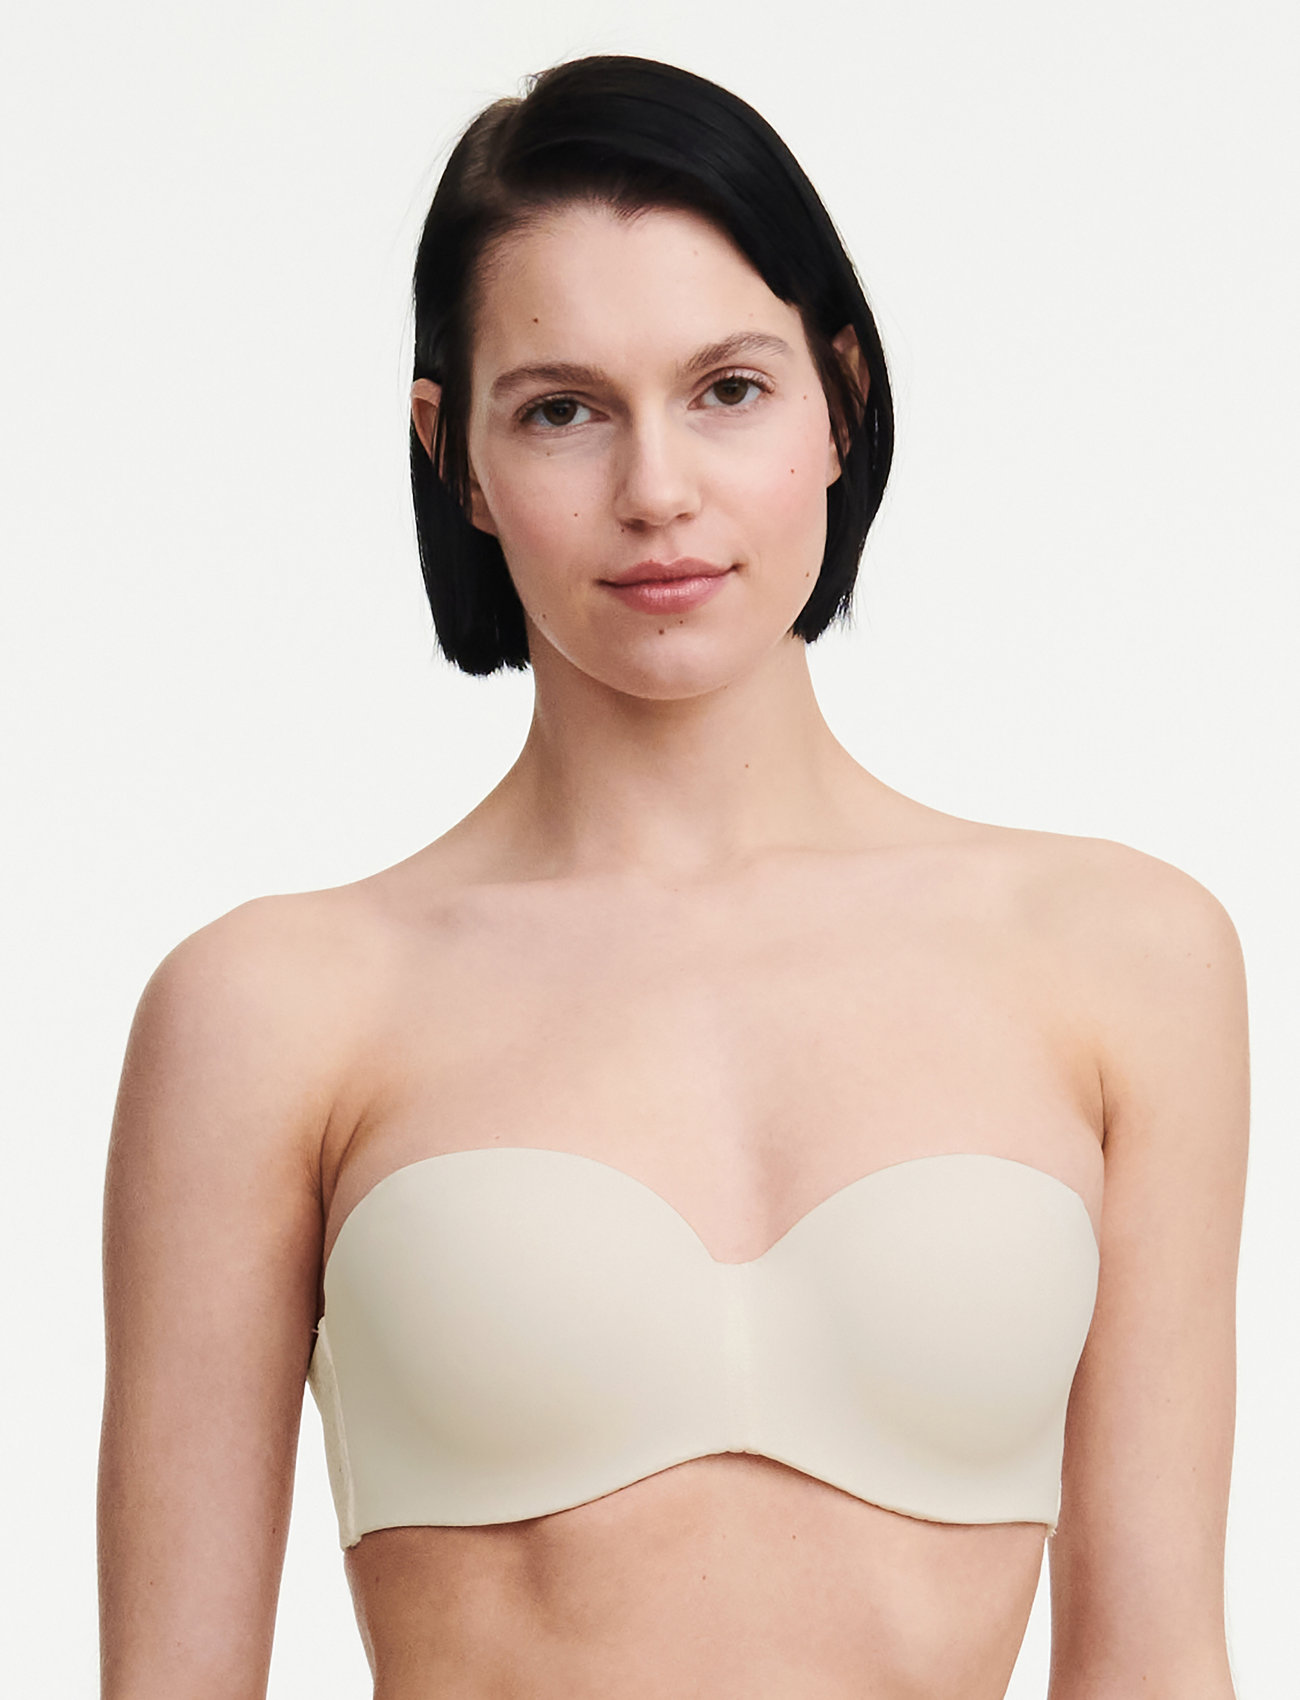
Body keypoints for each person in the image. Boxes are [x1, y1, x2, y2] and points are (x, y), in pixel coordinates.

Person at [97, 54, 1248, 1700]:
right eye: (561, 410)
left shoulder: (1124, 959)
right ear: (455, 455)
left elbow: (1157, 1661)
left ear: (840, 397)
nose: (656, 492)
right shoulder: (273, 1008)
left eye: (729, 388)